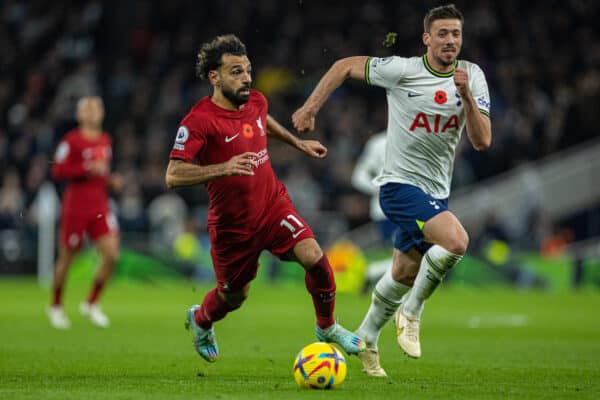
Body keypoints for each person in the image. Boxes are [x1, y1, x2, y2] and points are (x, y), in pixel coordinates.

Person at [293, 4, 491, 377]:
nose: (450, 41)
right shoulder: (403, 70)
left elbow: (482, 141)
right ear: (427, 39)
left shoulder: (472, 76)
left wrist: (465, 98)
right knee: (456, 242)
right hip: (398, 186)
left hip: (436, 190)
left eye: (456, 34)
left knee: (403, 270)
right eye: (443, 34)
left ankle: (366, 337)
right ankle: (412, 312)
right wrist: (309, 108)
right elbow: (343, 66)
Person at [165, 34, 365, 363]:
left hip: (272, 205)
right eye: (235, 72)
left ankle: (327, 327)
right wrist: (224, 167)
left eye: (247, 70)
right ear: (214, 77)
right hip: (233, 226)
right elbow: (173, 175)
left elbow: (262, 121)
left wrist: (297, 144)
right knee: (233, 296)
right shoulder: (199, 121)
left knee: (314, 255)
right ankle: (201, 320)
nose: (246, 78)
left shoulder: (256, 100)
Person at [48, 96, 122, 329]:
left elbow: (101, 173)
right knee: (67, 258)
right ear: (79, 115)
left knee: (111, 255)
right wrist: (86, 168)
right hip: (76, 207)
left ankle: (91, 303)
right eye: (87, 109)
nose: (92, 113)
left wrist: (110, 181)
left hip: (99, 206)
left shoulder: (105, 140)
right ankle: (56, 306)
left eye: (96, 108)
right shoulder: (71, 141)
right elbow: (58, 170)